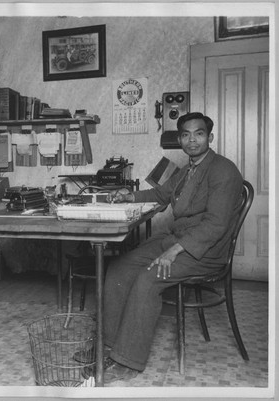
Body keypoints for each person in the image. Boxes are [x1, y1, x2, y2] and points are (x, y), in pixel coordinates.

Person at [80, 112, 243, 382]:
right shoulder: (187, 170)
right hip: (177, 239)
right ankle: (107, 344)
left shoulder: (224, 170)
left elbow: (215, 226)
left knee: (148, 277)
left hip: (204, 251)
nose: (192, 140)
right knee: (120, 267)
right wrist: (128, 195)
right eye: (186, 135)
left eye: (199, 134)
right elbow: (160, 194)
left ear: (210, 137)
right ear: (179, 139)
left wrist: (174, 250)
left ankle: (126, 361)